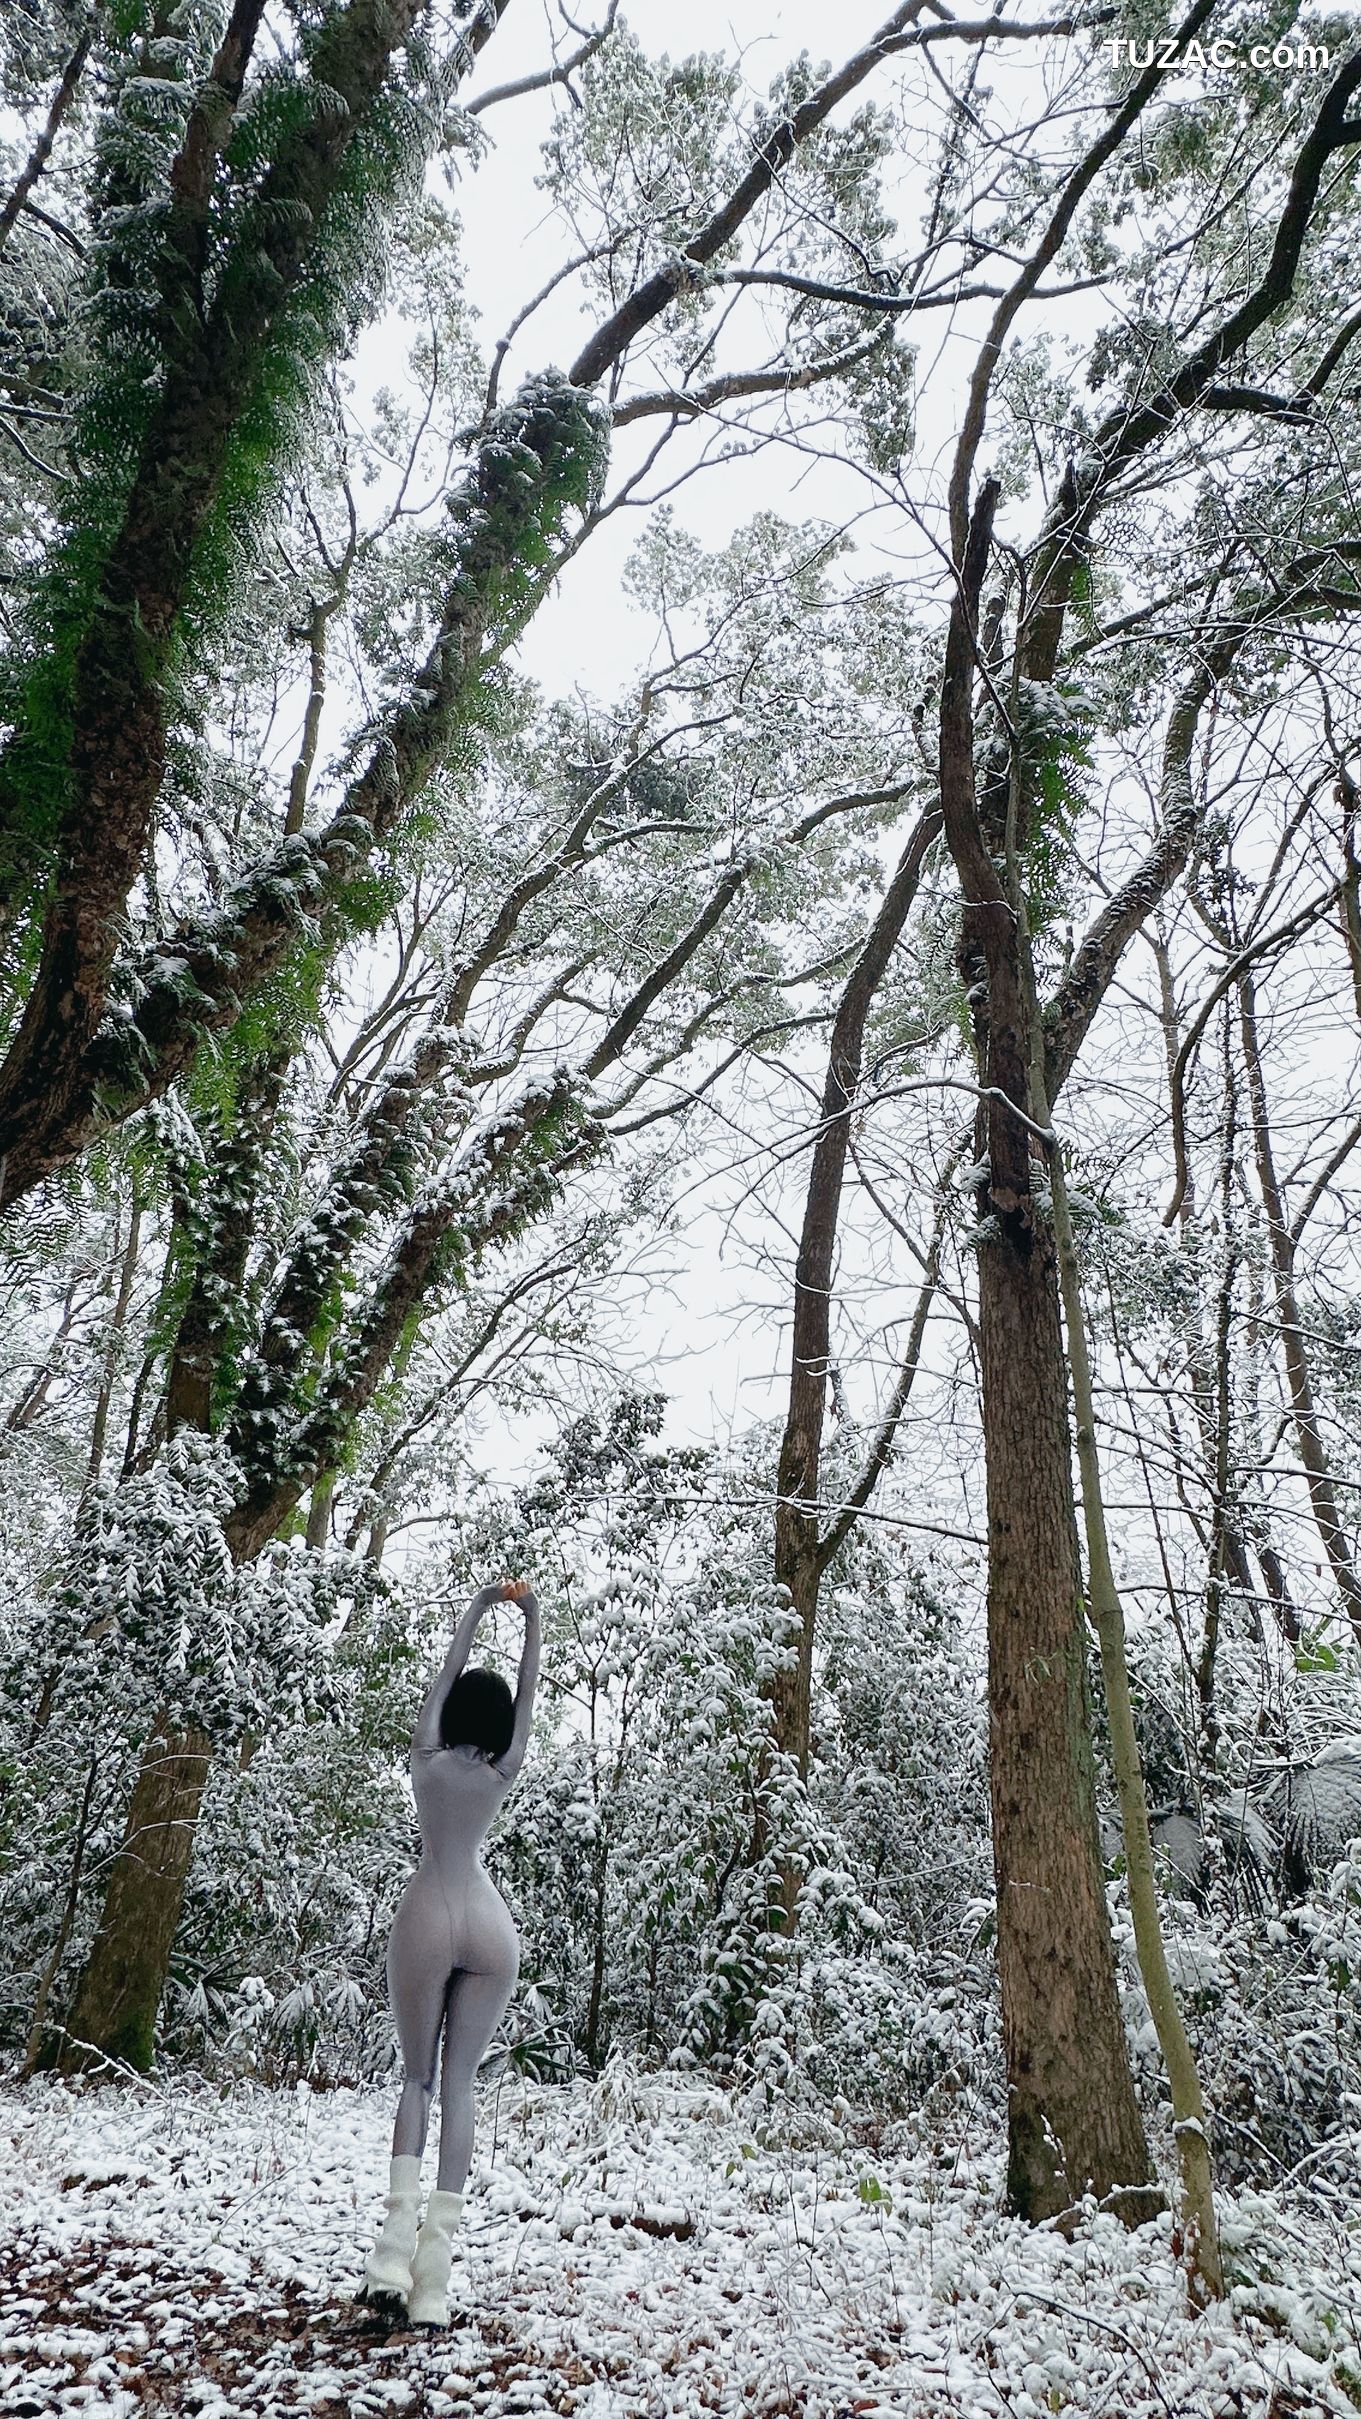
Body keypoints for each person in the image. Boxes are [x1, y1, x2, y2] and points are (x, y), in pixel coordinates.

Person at [364, 1575, 540, 2325]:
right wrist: (532, 1617)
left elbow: (447, 1669)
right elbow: (529, 1693)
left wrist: (477, 1607)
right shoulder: (505, 1767)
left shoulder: (425, 1759)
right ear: (497, 1722)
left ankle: (391, 2254)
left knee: (416, 2080)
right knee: (461, 2086)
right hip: (491, 1927)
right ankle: (434, 2278)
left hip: (429, 1911)